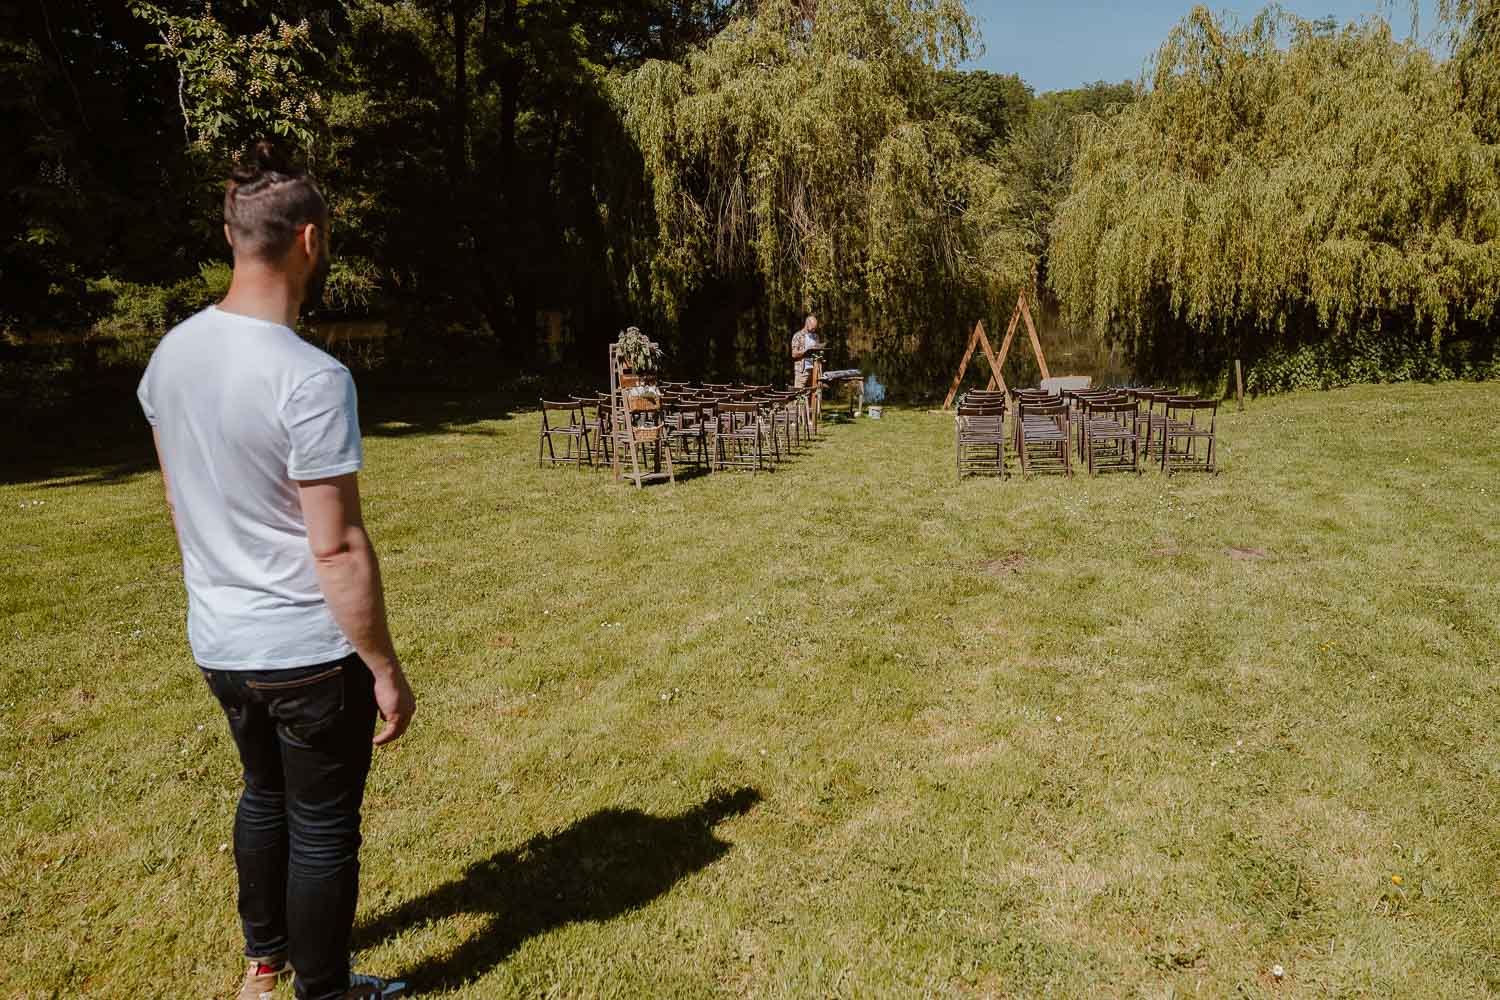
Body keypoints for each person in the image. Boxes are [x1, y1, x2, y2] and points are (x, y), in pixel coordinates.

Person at [136, 141, 414, 1000]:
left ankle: (265, 967)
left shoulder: (170, 357)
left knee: (263, 795)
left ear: (232, 235)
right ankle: (323, 991)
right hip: (304, 647)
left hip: (219, 640)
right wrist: (383, 667)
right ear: (309, 241)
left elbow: (181, 504)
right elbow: (335, 546)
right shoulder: (312, 377)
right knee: (323, 826)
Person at [790, 314, 820, 389]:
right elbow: (794, 354)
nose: (814, 330)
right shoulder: (798, 336)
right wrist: (805, 351)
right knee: (799, 392)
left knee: (813, 392)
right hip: (802, 370)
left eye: (815, 328)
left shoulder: (816, 336)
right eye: (813, 327)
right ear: (807, 324)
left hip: (814, 369)